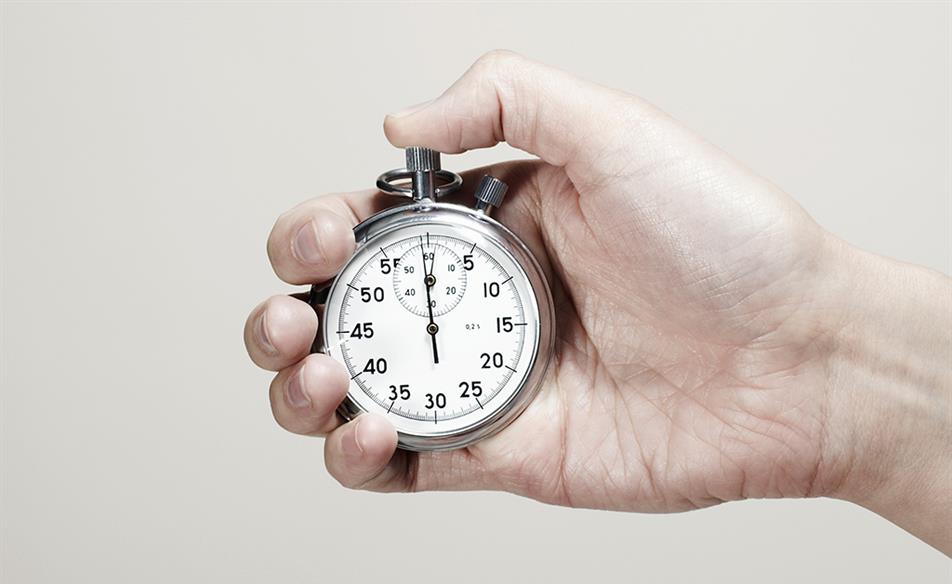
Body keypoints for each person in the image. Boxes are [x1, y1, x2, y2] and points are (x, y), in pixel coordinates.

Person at [243, 51, 951, 554]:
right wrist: (833, 370)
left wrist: (817, 345)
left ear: (488, 221)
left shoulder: (519, 254)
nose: (433, 323)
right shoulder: (403, 248)